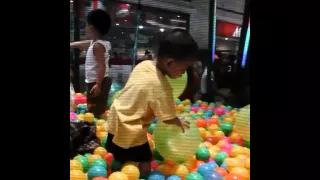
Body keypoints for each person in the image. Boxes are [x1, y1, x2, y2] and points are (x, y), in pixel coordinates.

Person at [106, 29, 197, 178]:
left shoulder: (144, 65)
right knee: (145, 159)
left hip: (115, 119)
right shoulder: (161, 86)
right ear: (170, 62)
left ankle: (115, 170)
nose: (183, 74)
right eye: (184, 68)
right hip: (131, 127)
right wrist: (178, 121)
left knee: (117, 157)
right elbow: (166, 117)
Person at [70, 9, 112, 119]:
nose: (85, 28)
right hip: (95, 81)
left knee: (94, 107)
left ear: (92, 28)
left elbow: (101, 66)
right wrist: (71, 45)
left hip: (98, 81)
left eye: (86, 25)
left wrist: (98, 85)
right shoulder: (96, 43)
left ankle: (97, 128)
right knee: (92, 105)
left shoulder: (98, 46)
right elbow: (83, 43)